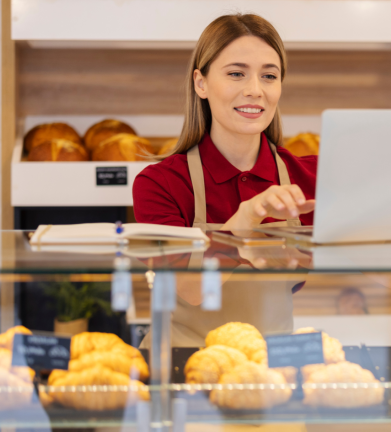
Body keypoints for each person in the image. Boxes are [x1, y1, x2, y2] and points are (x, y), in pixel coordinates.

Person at [132, 13, 314, 346]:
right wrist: (243, 223)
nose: (255, 90)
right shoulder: (160, 183)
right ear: (200, 83)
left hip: (272, 369)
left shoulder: (309, 177)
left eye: (269, 76)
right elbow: (191, 289)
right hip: (183, 367)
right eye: (236, 74)